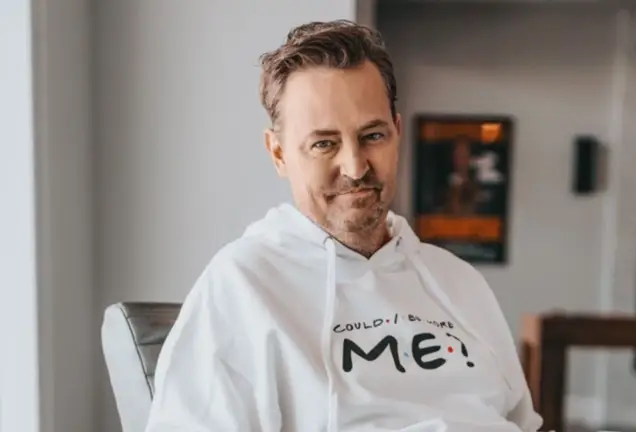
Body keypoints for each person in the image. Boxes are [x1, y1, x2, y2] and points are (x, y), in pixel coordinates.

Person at [144, 20, 542, 432]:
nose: (355, 166)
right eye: (324, 143)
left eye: (373, 136)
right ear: (278, 153)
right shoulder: (243, 283)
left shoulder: (459, 281)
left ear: (397, 134)